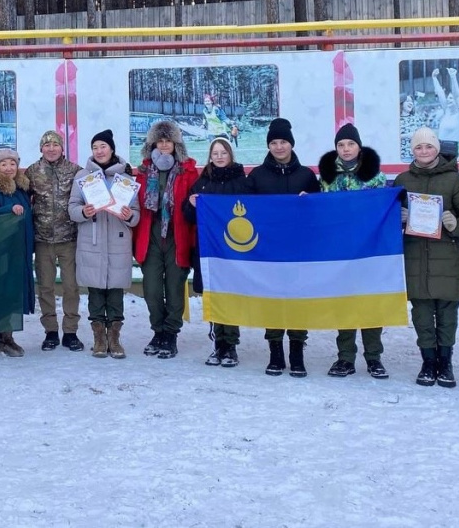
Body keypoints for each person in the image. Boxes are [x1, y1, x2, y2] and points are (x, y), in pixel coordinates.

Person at [393, 128, 459, 388]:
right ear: (412, 151)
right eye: (419, 147)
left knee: (447, 314)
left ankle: (446, 362)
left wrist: (455, 224)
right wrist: (399, 220)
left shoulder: (453, 180)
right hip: (415, 257)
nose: (424, 151)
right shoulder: (402, 180)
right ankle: (428, 362)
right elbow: (388, 217)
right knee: (421, 313)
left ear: (437, 149)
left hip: (447, 258)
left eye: (429, 147)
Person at [245, 118, 321, 377]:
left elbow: (320, 212)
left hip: (300, 250)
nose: (279, 147)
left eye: (283, 142)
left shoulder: (307, 176)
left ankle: (297, 353)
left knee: (298, 300)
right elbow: (246, 211)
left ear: (291, 144)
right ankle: (275, 352)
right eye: (274, 142)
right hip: (268, 250)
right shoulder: (256, 176)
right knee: (273, 300)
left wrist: (310, 202)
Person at [319, 123, 390, 379]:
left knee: (371, 304)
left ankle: (374, 358)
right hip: (340, 253)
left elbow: (384, 211)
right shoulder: (327, 178)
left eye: (350, 144)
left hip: (370, 251)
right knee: (344, 304)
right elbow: (321, 211)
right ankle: (345, 358)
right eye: (341, 145)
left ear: (359, 147)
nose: (346, 148)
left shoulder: (376, 177)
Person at [68, 130, 140, 359]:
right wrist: (84, 212)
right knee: (96, 292)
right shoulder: (83, 177)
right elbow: (72, 209)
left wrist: (129, 215)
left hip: (118, 243)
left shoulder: (126, 180)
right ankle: (99, 338)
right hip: (92, 240)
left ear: (111, 149)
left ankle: (114, 338)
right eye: (95, 147)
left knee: (116, 292)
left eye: (103, 146)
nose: (99, 151)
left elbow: (136, 215)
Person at [133, 119, 199, 359]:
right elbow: (134, 205)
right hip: (149, 236)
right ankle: (157, 331)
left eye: (167, 141)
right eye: (159, 141)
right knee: (151, 289)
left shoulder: (188, 171)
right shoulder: (142, 172)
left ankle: (170, 334)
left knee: (173, 288)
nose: (163, 146)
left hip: (177, 236)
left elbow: (195, 207)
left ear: (175, 144)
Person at [182, 137, 246, 368]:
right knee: (214, 295)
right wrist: (189, 203)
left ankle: (231, 344)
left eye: (223, 152)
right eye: (215, 153)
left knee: (230, 295)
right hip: (209, 249)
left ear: (230, 155)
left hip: (234, 249)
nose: (219, 157)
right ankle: (217, 342)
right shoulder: (202, 182)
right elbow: (188, 216)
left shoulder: (241, 182)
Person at [25, 130, 84, 352]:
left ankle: (70, 332)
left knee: (71, 287)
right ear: (41, 148)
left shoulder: (75, 171)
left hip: (69, 238)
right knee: (46, 287)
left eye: (55, 145)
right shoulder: (32, 172)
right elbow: (20, 195)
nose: (51, 149)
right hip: (42, 240)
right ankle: (50, 331)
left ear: (62, 148)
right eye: (47, 145)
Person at [0, 148, 34, 357]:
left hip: (20, 250)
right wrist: (7, 211)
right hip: (0, 251)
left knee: (13, 292)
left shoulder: (20, 189)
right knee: (4, 293)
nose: (9, 168)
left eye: (12, 163)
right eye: (4, 164)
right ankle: (4, 338)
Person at [431, 68, 459, 158]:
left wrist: (453, 77)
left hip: (451, 148)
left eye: (451, 98)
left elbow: (457, 95)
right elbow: (440, 93)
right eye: (448, 98)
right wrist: (434, 78)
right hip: (439, 145)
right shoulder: (446, 111)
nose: (448, 99)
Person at [400, 94, 423, 161]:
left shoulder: (418, 118)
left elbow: (425, 134)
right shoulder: (395, 120)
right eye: (407, 101)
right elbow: (390, 137)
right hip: (402, 157)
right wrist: (406, 136)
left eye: (411, 101)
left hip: (417, 157)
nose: (410, 103)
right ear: (401, 103)